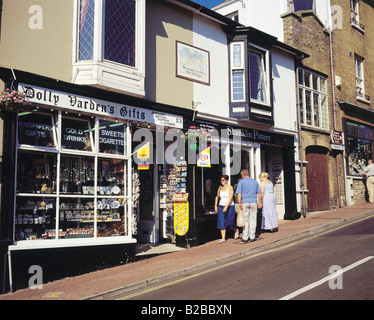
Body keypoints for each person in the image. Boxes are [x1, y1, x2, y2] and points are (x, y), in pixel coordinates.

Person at [236, 169, 263, 243]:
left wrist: (239, 202)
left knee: (246, 219)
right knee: (253, 219)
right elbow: (259, 193)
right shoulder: (255, 182)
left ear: (242, 175)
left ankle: (245, 237)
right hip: (254, 202)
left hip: (245, 202)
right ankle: (252, 236)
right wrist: (260, 202)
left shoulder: (241, 182)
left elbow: (239, 193)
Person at [215, 175, 238, 243]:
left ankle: (236, 230)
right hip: (221, 206)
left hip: (230, 206)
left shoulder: (230, 188)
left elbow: (230, 198)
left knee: (230, 221)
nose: (222, 181)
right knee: (221, 221)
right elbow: (217, 196)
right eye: (221, 180)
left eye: (223, 180)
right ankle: (223, 238)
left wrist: (226, 206)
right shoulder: (220, 187)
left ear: (227, 181)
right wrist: (216, 206)